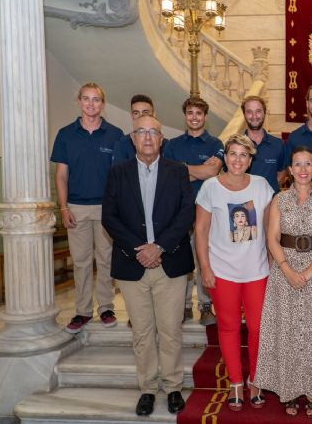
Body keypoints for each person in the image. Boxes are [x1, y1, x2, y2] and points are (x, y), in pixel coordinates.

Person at [101, 115, 194, 416]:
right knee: (142, 332)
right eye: (142, 132)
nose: (148, 137)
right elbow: (110, 217)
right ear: (133, 137)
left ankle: (173, 387)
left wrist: (160, 246)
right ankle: (147, 389)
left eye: (154, 132)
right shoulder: (118, 173)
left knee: (170, 331)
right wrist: (138, 249)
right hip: (133, 265)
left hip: (170, 262)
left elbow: (185, 214)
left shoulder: (178, 171)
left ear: (162, 138)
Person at [255, 146, 312, 418]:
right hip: (285, 270)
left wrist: (308, 272)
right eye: (298, 164)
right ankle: (290, 390)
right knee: (288, 330)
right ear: (290, 170)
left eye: (308, 164)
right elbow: (271, 238)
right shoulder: (279, 200)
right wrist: (286, 268)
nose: (303, 169)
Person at [194, 134, 274, 412]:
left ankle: (256, 379)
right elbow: (201, 231)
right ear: (225, 157)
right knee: (227, 328)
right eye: (233, 154)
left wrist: (276, 261)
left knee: (257, 328)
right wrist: (205, 267)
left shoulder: (262, 186)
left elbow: (270, 228)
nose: (237, 160)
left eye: (244, 155)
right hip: (222, 271)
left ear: (251, 159)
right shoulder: (210, 187)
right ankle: (236, 382)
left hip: (257, 270)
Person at [51, 82, 124, 334]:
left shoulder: (115, 134)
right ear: (79, 102)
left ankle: (105, 307)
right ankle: (82, 311)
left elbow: (120, 176)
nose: (91, 104)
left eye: (96, 100)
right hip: (76, 208)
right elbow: (61, 176)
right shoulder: (65, 134)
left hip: (107, 208)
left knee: (105, 260)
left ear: (102, 104)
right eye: (86, 99)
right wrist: (63, 208)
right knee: (81, 262)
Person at [163, 96, 223, 325]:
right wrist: (197, 169)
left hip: (206, 211)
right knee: (182, 259)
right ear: (185, 116)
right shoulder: (172, 145)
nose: (194, 117)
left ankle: (205, 306)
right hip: (178, 210)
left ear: (205, 117)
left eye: (199, 113)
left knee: (203, 260)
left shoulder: (216, 144)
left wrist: (183, 170)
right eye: (190, 113)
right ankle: (184, 305)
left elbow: (212, 173)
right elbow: (168, 176)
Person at [242, 95, 287, 192]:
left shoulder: (279, 145)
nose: (254, 116)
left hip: (271, 203)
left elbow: (282, 174)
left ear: (264, 113)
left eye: (258, 111)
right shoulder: (236, 146)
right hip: (243, 204)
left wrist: (266, 192)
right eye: (249, 112)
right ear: (244, 114)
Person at [113, 94, 164, 165]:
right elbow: (118, 174)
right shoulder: (122, 145)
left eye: (145, 112)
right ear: (132, 116)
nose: (141, 116)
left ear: (154, 114)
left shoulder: (166, 145)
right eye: (136, 113)